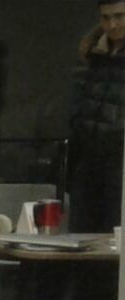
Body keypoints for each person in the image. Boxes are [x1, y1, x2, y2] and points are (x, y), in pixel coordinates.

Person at [68, 0, 125, 233]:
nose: (112, 25)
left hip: (120, 159)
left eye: (119, 16)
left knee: (115, 234)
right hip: (88, 156)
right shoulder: (91, 53)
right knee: (81, 233)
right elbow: (77, 102)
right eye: (106, 18)